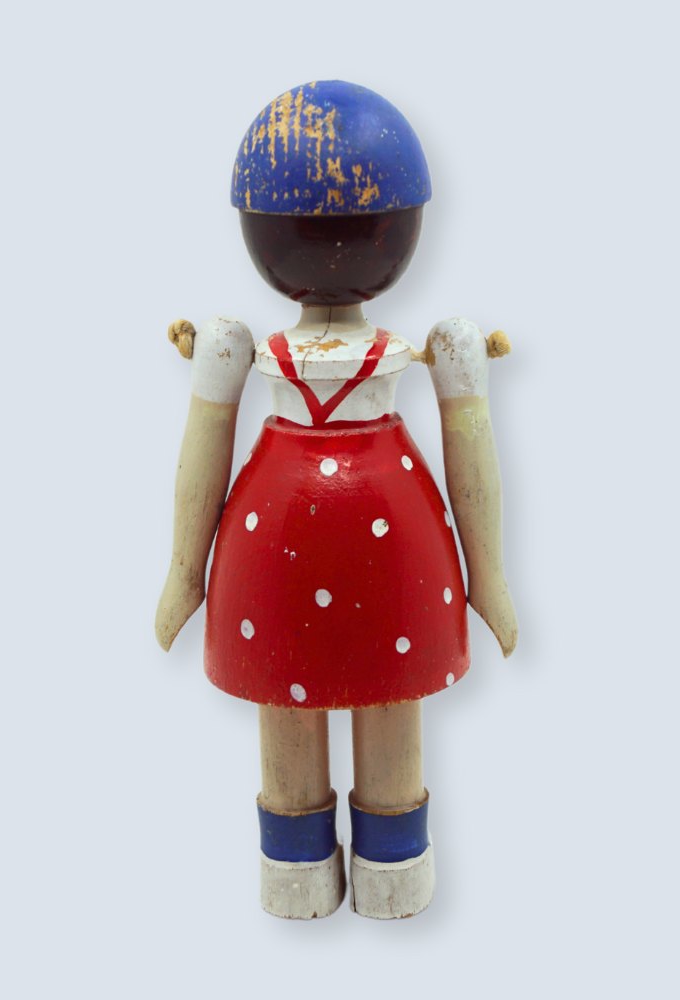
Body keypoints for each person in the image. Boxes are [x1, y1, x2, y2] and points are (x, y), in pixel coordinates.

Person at [155, 80, 517, 919]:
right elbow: (203, 451)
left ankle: (387, 861)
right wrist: (182, 576)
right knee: (292, 694)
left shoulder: (435, 347)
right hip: (304, 537)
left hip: (336, 533)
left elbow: (471, 450)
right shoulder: (236, 346)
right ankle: (308, 867)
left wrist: (490, 581)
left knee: (387, 694)